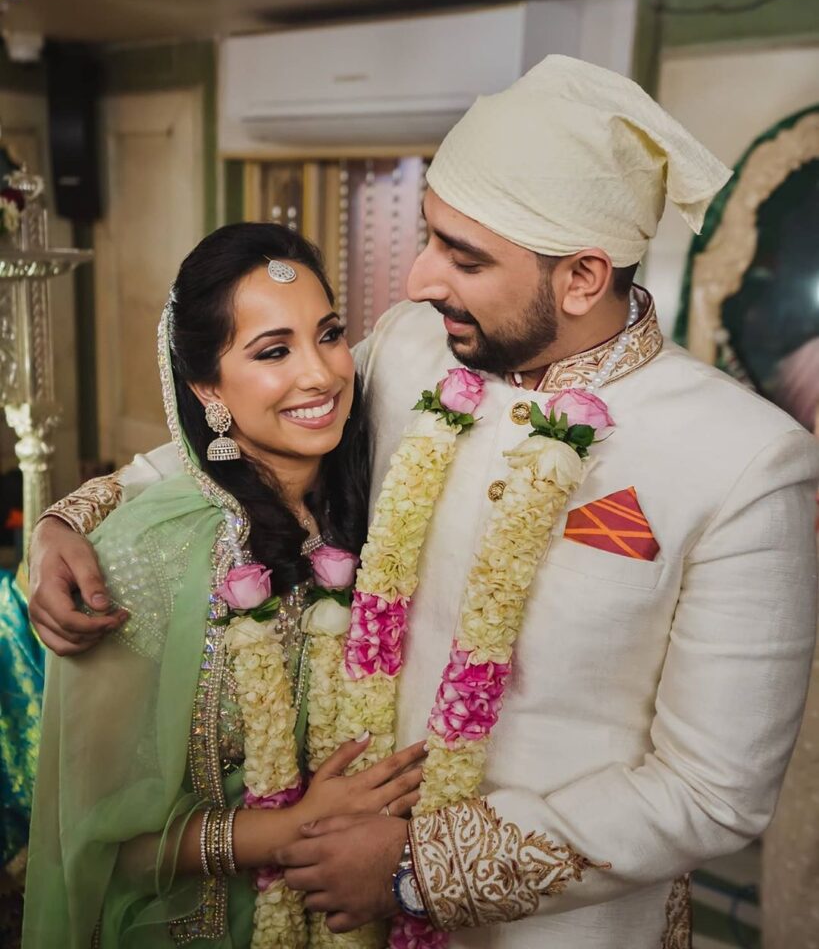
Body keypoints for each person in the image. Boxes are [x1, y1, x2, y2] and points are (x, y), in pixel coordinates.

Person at [29, 56, 819, 949]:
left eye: (463, 256)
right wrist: (77, 515)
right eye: (429, 236)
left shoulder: (743, 459)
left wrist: (417, 870)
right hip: (343, 916)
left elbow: (714, 790)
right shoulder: (416, 349)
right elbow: (245, 427)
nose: (415, 281)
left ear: (583, 277)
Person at [22, 223, 425, 949]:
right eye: (273, 351)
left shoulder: (377, 507)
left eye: (328, 335)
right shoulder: (147, 556)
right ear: (206, 386)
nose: (321, 374)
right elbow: (95, 840)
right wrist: (288, 829)